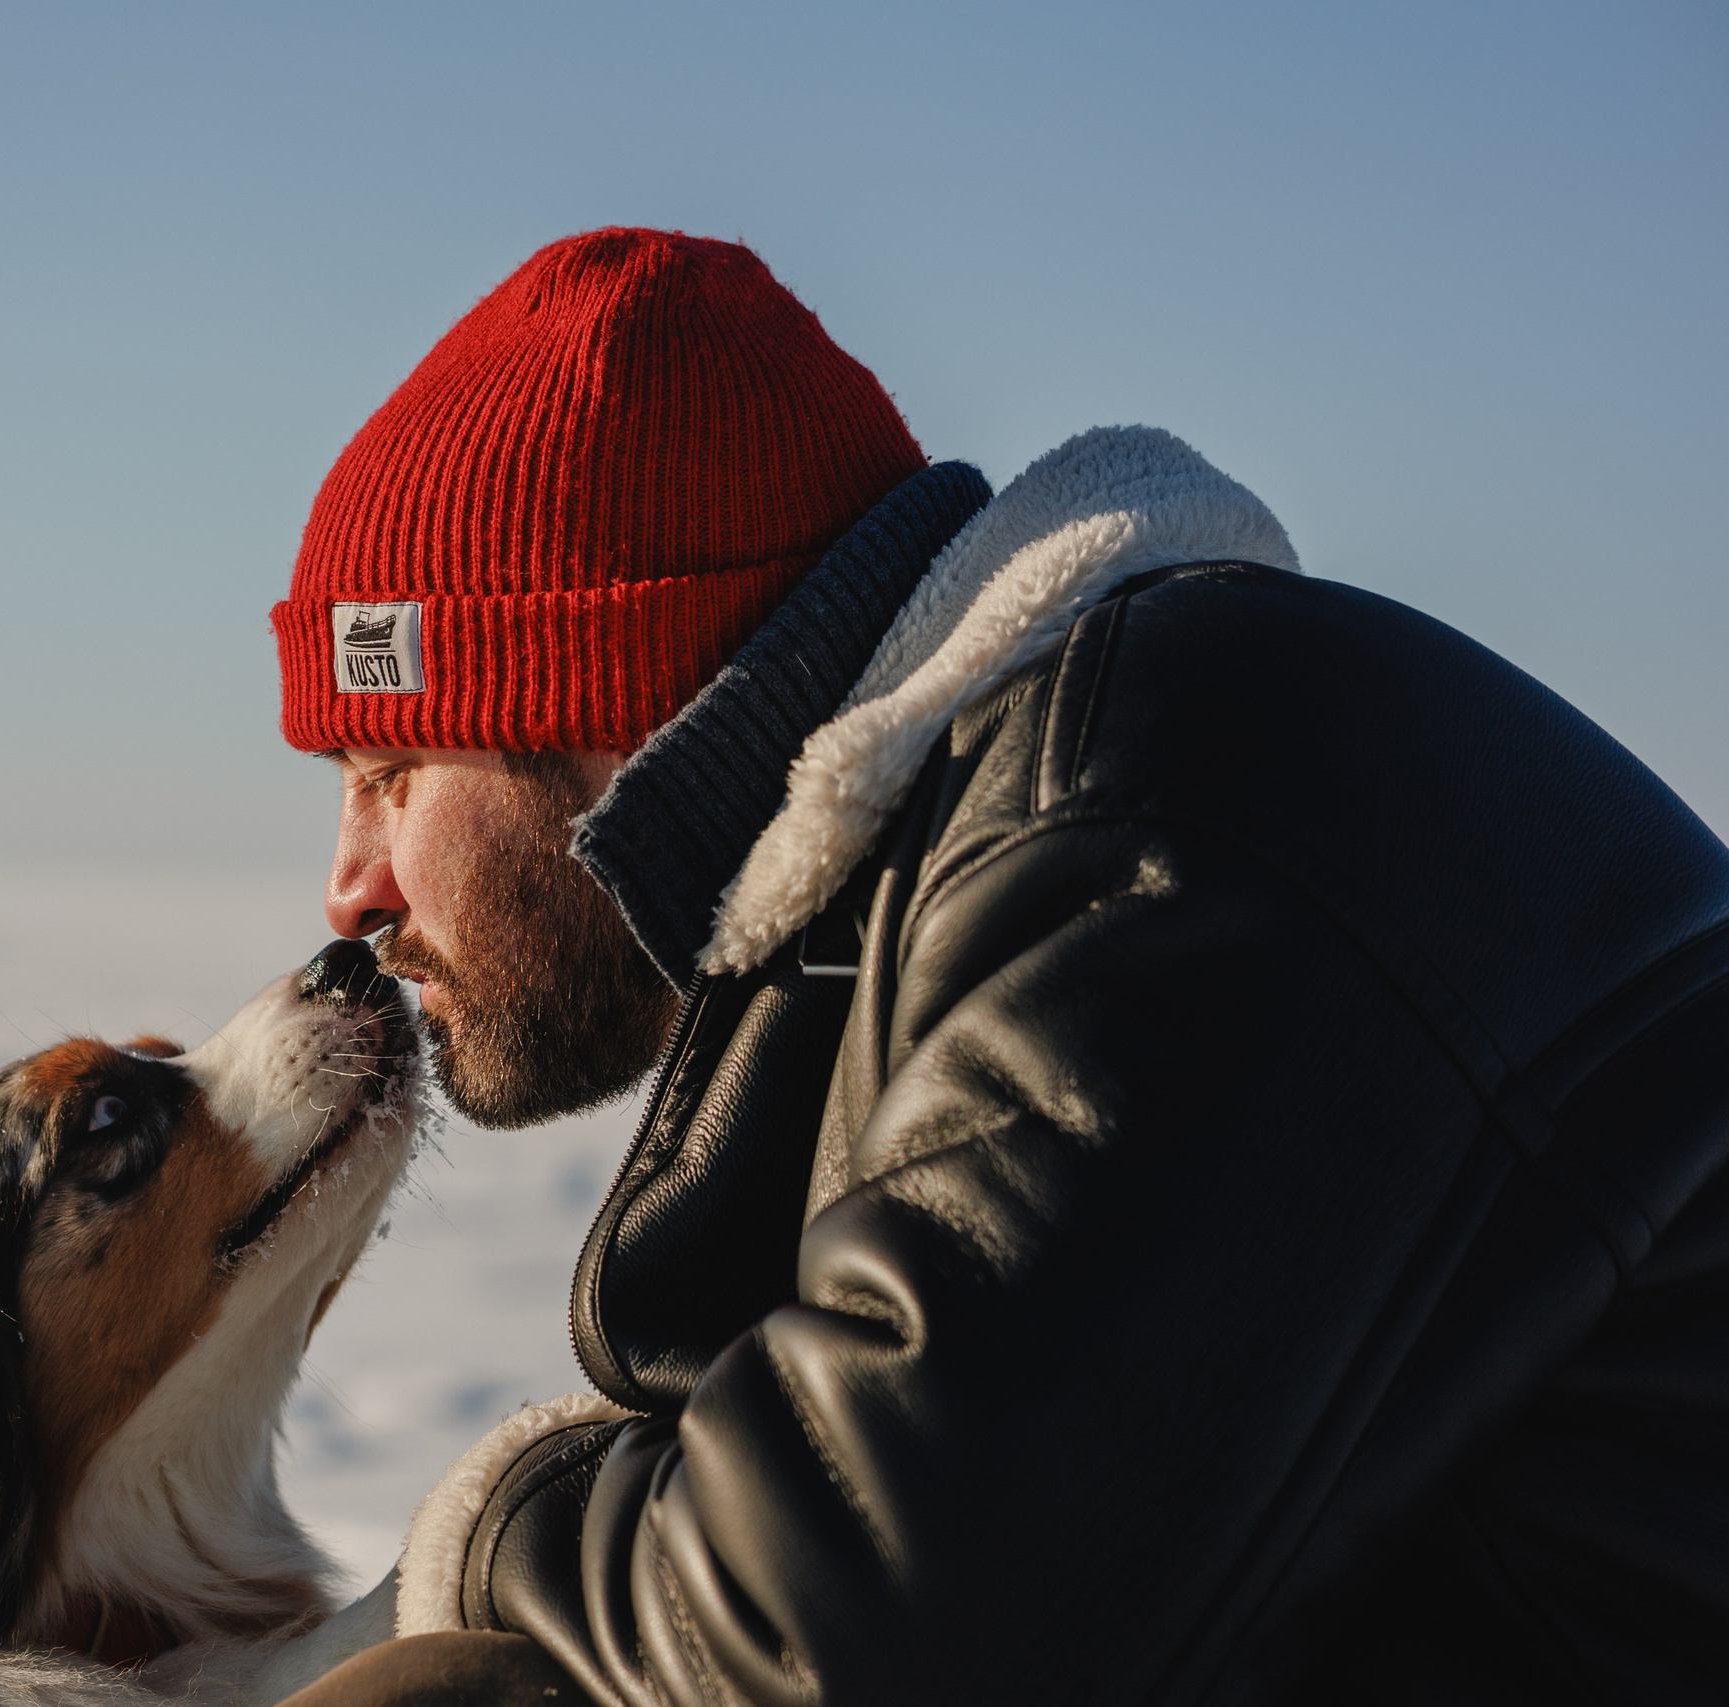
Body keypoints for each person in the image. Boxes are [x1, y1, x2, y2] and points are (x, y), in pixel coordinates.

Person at [264, 228, 1729, 1706]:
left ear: (600, 696)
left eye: (390, 768)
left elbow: (855, 1649)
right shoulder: (1017, 833)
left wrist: (494, 1521)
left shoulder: (1154, 818)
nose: (351, 887)